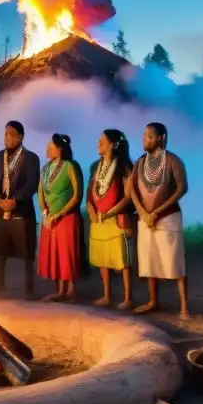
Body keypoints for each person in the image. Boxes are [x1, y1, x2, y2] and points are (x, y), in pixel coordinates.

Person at [129, 122, 190, 319]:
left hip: (168, 217)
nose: (144, 139)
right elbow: (132, 190)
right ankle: (152, 301)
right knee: (149, 260)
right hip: (145, 219)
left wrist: (157, 212)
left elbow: (181, 188)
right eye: (144, 135)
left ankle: (183, 306)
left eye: (148, 136)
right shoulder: (140, 162)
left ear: (160, 138)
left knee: (174, 260)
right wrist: (143, 213)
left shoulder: (173, 161)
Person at [0, 121, 40, 298]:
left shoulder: (31, 158)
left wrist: (16, 200)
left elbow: (32, 183)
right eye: (5, 134)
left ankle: (29, 290)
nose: (6, 137)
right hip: (0, 210)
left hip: (21, 211)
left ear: (20, 137)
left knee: (26, 253)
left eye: (10, 134)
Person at [87, 129, 136, 309]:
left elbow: (128, 196)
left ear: (113, 144)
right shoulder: (95, 166)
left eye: (102, 141)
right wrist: (91, 208)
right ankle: (106, 296)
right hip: (99, 219)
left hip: (116, 218)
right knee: (102, 258)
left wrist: (112, 212)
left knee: (121, 259)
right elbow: (90, 191)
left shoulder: (124, 167)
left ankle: (127, 298)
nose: (98, 143)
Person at [37, 134, 82, 302]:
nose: (47, 150)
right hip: (49, 219)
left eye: (51, 147)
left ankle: (70, 290)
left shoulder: (70, 166)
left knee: (66, 253)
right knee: (54, 253)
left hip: (67, 218)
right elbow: (40, 192)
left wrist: (59, 214)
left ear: (60, 148)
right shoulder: (46, 168)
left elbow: (77, 195)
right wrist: (45, 214)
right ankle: (59, 290)